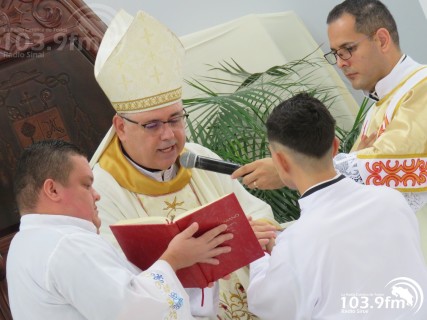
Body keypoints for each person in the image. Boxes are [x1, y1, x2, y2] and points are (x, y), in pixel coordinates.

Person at [89, 9, 279, 320]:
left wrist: (259, 231)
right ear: (121, 127)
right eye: (152, 125)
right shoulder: (100, 189)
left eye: (176, 119)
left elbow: (256, 212)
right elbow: (115, 279)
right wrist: (176, 260)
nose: (169, 135)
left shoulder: (198, 157)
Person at [232, 0, 427, 261]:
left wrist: (293, 168)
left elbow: (402, 166)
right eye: (335, 53)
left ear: (381, 39)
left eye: (348, 49)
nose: (341, 63)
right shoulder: (381, 103)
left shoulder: (421, 87)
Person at [246, 92, 427, 319]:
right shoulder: (390, 199)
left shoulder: (297, 242)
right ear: (335, 146)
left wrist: (257, 254)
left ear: (280, 161)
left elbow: (269, 306)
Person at [7, 140, 233, 320]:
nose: (96, 195)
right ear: (53, 190)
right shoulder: (68, 244)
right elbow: (131, 312)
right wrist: (173, 260)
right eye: (86, 185)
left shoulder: (24, 243)